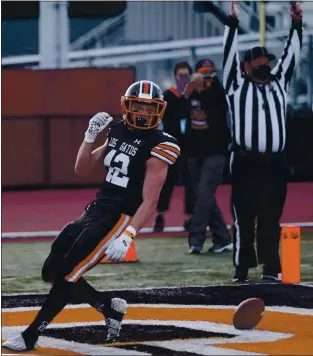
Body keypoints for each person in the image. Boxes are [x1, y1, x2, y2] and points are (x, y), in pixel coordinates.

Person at [3, 80, 180, 352]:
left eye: (149, 107)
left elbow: (150, 200)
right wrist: (89, 137)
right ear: (128, 106)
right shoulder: (118, 129)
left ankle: (31, 335)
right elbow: (83, 169)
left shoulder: (161, 144)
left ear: (159, 110)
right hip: (96, 209)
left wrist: (129, 234)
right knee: (52, 269)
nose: (143, 112)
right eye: (138, 106)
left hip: (117, 217)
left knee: (69, 273)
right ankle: (109, 307)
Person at [223, 1, 303, 282]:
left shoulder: (279, 81)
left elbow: (291, 55)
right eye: (257, 63)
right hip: (246, 161)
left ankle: (271, 268)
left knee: (271, 217)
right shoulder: (235, 85)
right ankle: (242, 268)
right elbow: (228, 54)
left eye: (266, 62)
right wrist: (232, 23)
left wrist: (296, 24)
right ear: (246, 67)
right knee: (244, 218)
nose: (264, 66)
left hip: (274, 163)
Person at [183, 59, 232, 254]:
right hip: (194, 152)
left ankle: (196, 239)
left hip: (216, 151)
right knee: (203, 197)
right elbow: (176, 111)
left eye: (211, 73)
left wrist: (203, 91)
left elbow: (218, 115)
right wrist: (188, 90)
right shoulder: (190, 92)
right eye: (204, 73)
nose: (208, 77)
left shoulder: (219, 92)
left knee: (204, 193)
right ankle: (222, 238)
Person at [153, 61, 195, 232]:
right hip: (171, 145)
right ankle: (160, 215)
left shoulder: (195, 96)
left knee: (191, 182)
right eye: (181, 76)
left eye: (187, 75)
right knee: (167, 181)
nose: (183, 79)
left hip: (191, 147)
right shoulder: (168, 97)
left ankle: (189, 217)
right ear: (175, 77)